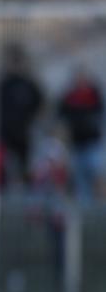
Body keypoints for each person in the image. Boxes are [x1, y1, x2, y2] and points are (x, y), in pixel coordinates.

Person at [0, 44, 43, 185]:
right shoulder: (3, 83)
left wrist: (32, 119)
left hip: (24, 133)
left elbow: (40, 103)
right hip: (5, 132)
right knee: (2, 167)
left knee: (26, 169)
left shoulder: (29, 84)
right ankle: (3, 192)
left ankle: (27, 193)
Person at [58, 68, 104, 200]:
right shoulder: (69, 96)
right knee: (80, 179)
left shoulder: (94, 95)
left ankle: (99, 203)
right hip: (76, 143)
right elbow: (61, 116)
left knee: (97, 174)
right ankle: (84, 205)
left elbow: (100, 114)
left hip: (93, 142)